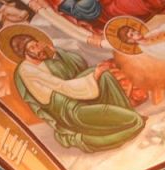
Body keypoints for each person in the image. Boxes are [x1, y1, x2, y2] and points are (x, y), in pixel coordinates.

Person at [10, 30, 144, 152]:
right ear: (24, 53)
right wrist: (95, 75)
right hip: (69, 111)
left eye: (37, 44)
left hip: (76, 94)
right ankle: (88, 136)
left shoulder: (44, 62)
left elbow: (76, 67)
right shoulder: (27, 70)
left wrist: (56, 51)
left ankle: (124, 109)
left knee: (104, 74)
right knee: (135, 121)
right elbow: (62, 85)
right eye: (33, 48)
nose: (39, 48)